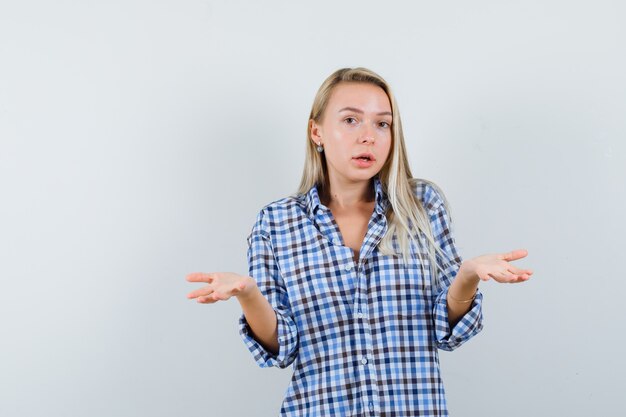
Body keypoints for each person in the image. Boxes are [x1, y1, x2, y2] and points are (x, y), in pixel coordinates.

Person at [186, 67, 533, 416]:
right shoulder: (276, 222)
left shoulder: (422, 206)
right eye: (351, 120)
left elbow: (447, 330)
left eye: (382, 124)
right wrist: (248, 294)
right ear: (316, 131)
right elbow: (282, 346)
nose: (369, 136)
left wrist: (467, 276)